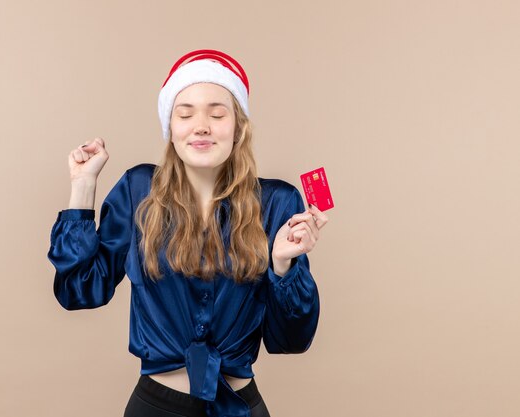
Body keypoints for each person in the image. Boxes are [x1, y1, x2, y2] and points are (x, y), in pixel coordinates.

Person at [47, 49, 329, 417]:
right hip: (155, 408)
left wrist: (281, 268)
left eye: (217, 113)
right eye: (185, 113)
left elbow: (291, 340)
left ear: (238, 126)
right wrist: (82, 187)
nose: (201, 126)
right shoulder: (138, 190)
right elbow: (79, 290)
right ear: (171, 127)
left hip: (239, 405)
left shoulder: (277, 201)